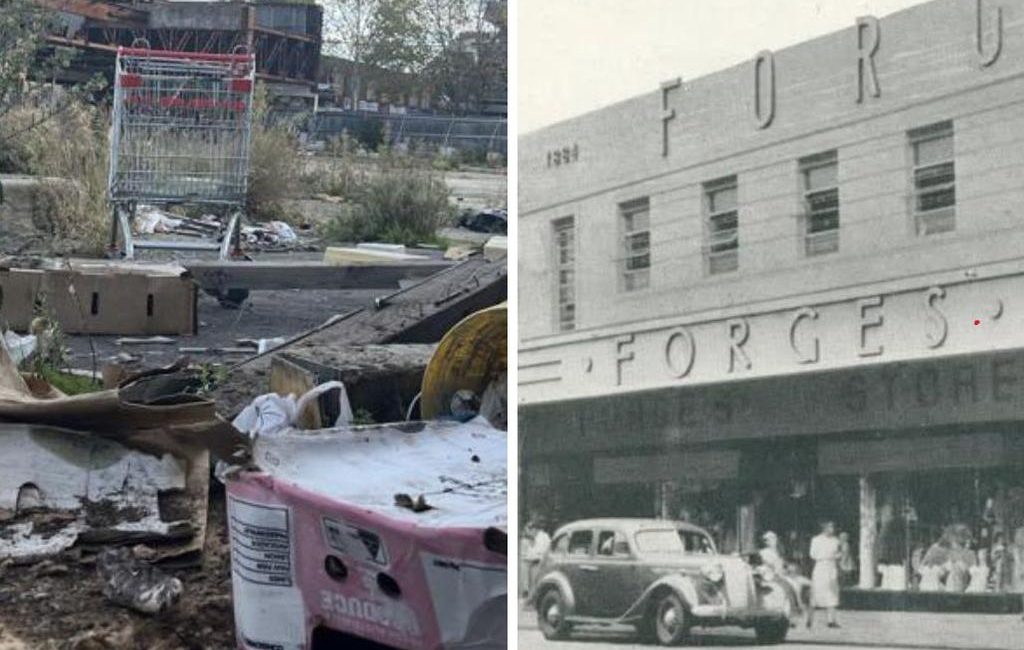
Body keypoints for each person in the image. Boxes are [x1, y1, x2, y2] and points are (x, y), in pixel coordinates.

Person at [807, 520, 841, 629]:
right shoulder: (816, 540)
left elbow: (838, 553)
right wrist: (826, 556)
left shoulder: (835, 540)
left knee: (832, 592)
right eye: (830, 527)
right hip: (821, 567)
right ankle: (810, 619)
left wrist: (836, 556)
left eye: (833, 527)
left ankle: (831, 620)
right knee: (816, 592)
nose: (832, 529)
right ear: (824, 528)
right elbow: (812, 554)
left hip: (831, 567)